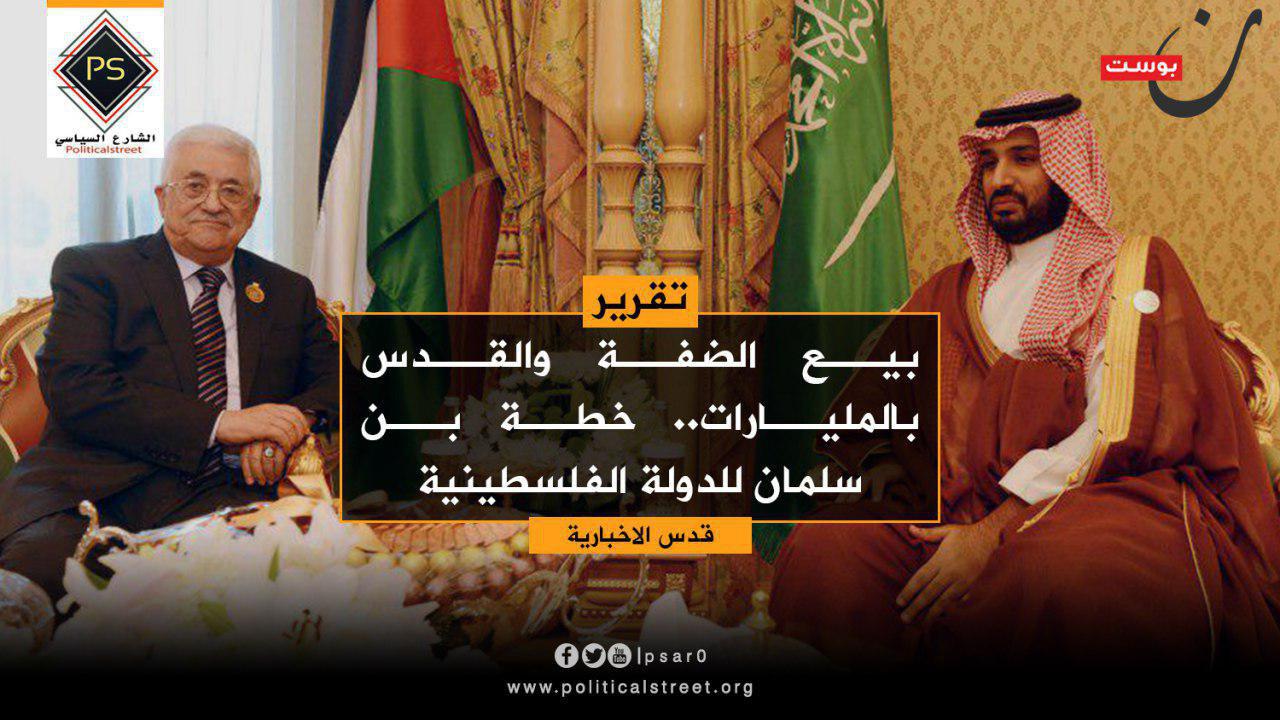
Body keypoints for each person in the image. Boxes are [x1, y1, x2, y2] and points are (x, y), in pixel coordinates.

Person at [769, 91, 1280, 667]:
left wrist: (991, 532)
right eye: (988, 163)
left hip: (1098, 499)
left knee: (1053, 571)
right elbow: (874, 409)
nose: (1000, 179)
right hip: (954, 504)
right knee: (827, 548)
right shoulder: (952, 289)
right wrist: (887, 477)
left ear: (1070, 165)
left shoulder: (1130, 271)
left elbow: (1114, 426)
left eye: (1024, 159)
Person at [0, 124, 339, 599]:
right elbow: (77, 388)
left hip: (229, 495)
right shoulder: (94, 271)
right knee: (32, 593)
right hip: (93, 491)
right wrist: (223, 424)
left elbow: (338, 381)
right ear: (162, 198)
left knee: (304, 594)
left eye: (232, 190)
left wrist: (283, 426)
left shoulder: (286, 291)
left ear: (253, 208)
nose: (214, 204)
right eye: (195, 186)